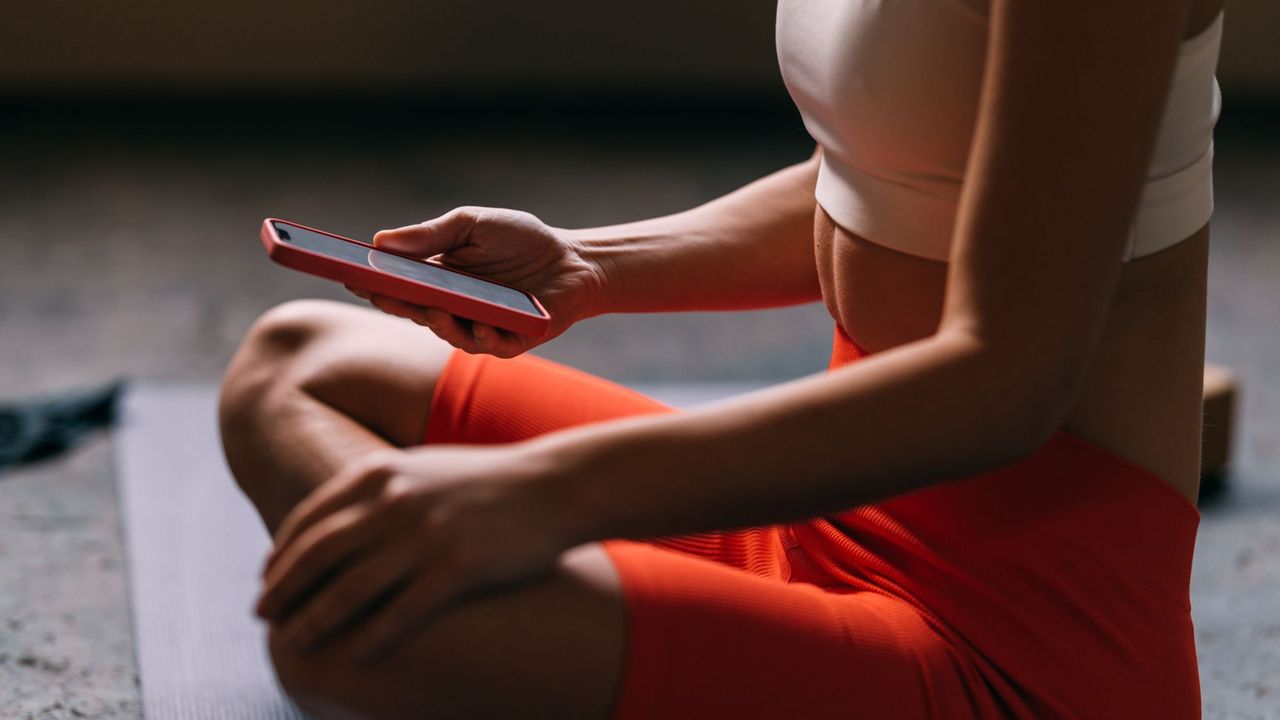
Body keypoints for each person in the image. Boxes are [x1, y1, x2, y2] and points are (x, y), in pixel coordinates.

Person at [218, 0, 1225, 716]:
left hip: (1016, 652)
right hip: (825, 517)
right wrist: (592, 265)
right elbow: (895, 171)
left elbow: (1004, 385)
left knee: (344, 644)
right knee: (297, 365)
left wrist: (536, 496)